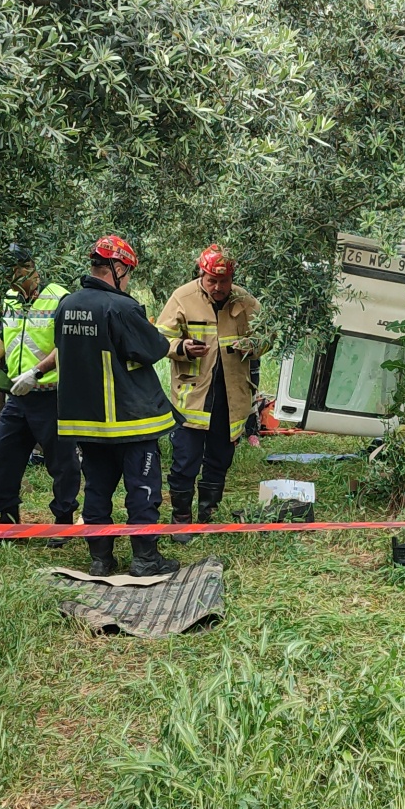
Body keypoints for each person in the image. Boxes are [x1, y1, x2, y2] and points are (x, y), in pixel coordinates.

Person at [54, 235, 180, 577]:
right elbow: (151, 348)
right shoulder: (121, 307)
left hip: (86, 422)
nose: (128, 281)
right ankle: (145, 560)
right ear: (119, 267)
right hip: (130, 420)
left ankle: (101, 560)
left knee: (96, 490)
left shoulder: (66, 305)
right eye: (129, 274)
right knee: (142, 490)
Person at [157, 244, 263, 542]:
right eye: (211, 281)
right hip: (192, 397)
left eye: (223, 281)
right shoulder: (183, 297)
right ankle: (181, 520)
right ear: (201, 275)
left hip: (231, 398)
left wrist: (252, 346)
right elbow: (159, 339)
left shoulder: (245, 301)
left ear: (232, 278)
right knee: (185, 460)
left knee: (220, 458)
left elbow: (267, 335)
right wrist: (183, 348)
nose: (217, 287)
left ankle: (209, 514)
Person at [0, 243, 79, 541]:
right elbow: (3, 335)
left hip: (51, 395)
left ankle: (63, 522)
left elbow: (68, 345)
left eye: (13, 272)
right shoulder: (10, 298)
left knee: (61, 462)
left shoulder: (59, 298)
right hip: (17, 395)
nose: (8, 280)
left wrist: (37, 372)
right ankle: (8, 518)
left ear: (28, 269)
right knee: (2, 458)